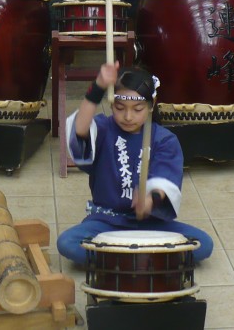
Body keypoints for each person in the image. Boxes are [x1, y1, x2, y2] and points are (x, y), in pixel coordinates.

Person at [56, 62, 214, 265]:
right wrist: (98, 87)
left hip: (151, 224)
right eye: (120, 108)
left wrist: (150, 200)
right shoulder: (104, 128)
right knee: (68, 242)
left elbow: (165, 180)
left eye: (137, 109)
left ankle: (117, 261)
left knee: (202, 243)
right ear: (112, 104)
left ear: (150, 106)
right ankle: (148, 261)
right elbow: (79, 129)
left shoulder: (164, 139)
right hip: (106, 221)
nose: (128, 117)